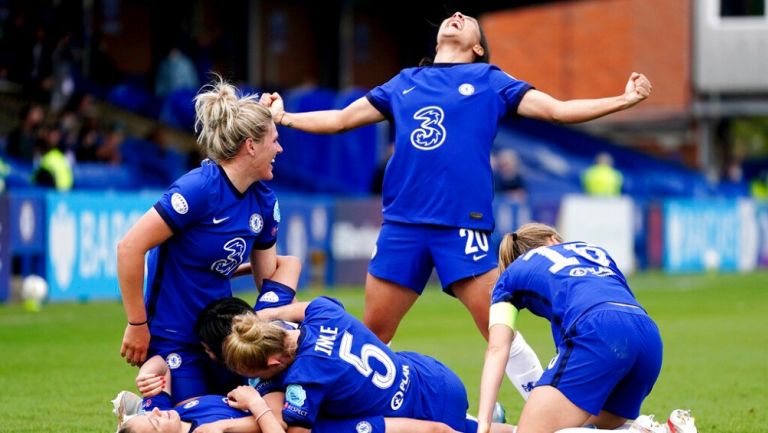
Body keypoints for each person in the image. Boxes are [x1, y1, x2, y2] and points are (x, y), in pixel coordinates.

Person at [260, 12, 652, 356]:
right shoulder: (404, 82)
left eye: (469, 20)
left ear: (478, 48)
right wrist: (285, 117)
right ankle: (366, 408)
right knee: (374, 334)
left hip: (462, 224)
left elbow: (559, 111)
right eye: (453, 16)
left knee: (499, 334)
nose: (458, 14)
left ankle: (544, 406)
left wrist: (624, 99)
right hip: (402, 225)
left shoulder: (490, 80)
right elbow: (341, 119)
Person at [116, 76, 285, 405]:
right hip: (174, 337)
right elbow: (129, 248)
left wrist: (279, 338)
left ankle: (144, 411)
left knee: (245, 416)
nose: (280, 149)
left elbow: (269, 282)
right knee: (191, 420)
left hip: (227, 338)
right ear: (251, 145)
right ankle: (145, 412)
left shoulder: (265, 201)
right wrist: (137, 324)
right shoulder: (199, 189)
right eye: (274, 141)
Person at [475, 223, 696, 433]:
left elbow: (498, 349)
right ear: (553, 239)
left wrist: (484, 422)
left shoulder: (508, 278)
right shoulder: (590, 250)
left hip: (598, 331)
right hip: (647, 336)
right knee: (590, 426)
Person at [221, 296, 514, 433]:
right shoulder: (323, 313)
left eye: (255, 375)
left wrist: (257, 403)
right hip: (436, 378)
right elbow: (298, 309)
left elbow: (294, 430)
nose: (256, 382)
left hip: (422, 417)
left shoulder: (304, 380)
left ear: (274, 361)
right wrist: (266, 316)